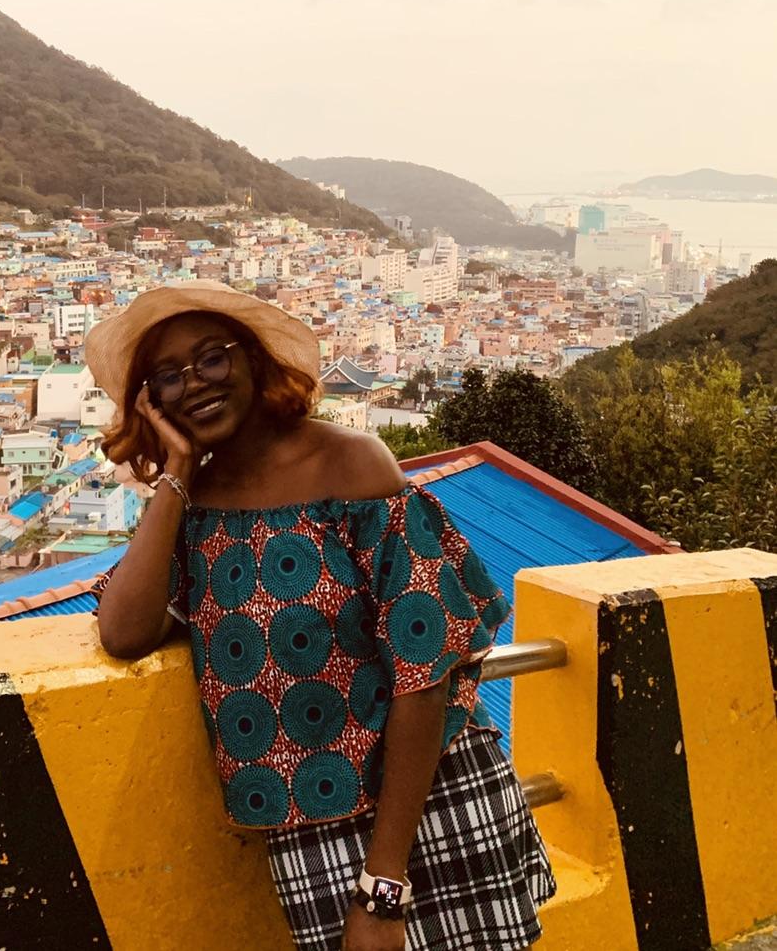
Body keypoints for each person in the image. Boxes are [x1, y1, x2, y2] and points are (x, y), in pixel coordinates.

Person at [87, 281, 555, 951]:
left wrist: (383, 887)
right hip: (306, 831)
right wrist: (178, 472)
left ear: (251, 361)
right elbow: (124, 631)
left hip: (427, 805)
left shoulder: (351, 466)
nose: (194, 384)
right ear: (149, 400)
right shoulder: (195, 506)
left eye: (212, 359)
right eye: (168, 376)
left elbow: (424, 675)